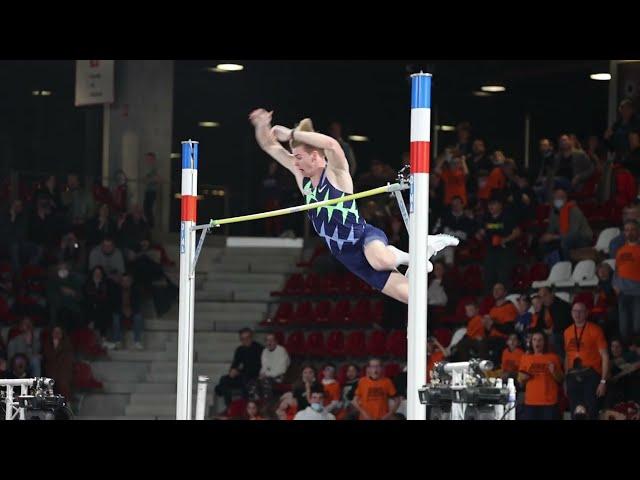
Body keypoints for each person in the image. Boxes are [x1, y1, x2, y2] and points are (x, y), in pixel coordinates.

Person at [249, 108, 458, 304]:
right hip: (348, 257)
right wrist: (261, 124)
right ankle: (422, 253)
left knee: (380, 260)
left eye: (299, 157)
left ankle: (416, 255)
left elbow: (331, 145)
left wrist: (292, 134)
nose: (295, 163)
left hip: (363, 237)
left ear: (315, 156)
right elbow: (269, 146)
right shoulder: (301, 177)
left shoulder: (336, 174)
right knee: (414, 298)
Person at [564, 302, 609, 419]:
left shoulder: (595, 330)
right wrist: (566, 379)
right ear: (571, 313)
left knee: (591, 411)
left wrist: (603, 381)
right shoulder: (567, 332)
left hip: (591, 376)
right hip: (573, 376)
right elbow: (567, 357)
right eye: (575, 311)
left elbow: (605, 356)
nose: (577, 314)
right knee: (575, 412)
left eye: (581, 311)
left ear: (586, 313)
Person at [517, 331, 564, 420]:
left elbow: (560, 379)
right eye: (534, 340)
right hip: (531, 402)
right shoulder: (525, 357)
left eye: (540, 340)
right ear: (531, 342)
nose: (537, 342)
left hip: (549, 402)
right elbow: (520, 381)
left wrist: (554, 371)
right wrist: (522, 379)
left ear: (544, 342)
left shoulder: (553, 357)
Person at [539, 188, 593, 262]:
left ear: (565, 199)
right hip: (563, 237)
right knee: (543, 244)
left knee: (566, 241)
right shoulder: (554, 212)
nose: (559, 200)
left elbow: (573, 233)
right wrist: (546, 237)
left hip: (582, 238)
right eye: (557, 198)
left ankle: (566, 266)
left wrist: (554, 237)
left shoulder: (574, 210)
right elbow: (551, 230)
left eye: (561, 197)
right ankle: (547, 267)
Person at [613, 219, 640, 341]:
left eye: (632, 229)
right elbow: (616, 271)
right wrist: (615, 285)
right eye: (627, 230)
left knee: (637, 327)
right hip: (623, 294)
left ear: (638, 231)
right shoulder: (620, 251)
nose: (629, 232)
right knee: (624, 330)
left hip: (637, 294)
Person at [42, 326, 74, 399]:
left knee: (63, 382)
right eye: (55, 332)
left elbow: (68, 360)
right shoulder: (47, 344)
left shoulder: (67, 344)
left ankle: (66, 403)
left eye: (58, 332)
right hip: (50, 369)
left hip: (63, 371)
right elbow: (47, 357)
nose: (56, 334)